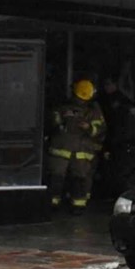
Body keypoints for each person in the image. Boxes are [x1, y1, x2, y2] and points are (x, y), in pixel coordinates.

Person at [47, 79, 106, 214]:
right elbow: (53, 124)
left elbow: (101, 130)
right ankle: (54, 204)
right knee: (58, 178)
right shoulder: (62, 108)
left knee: (79, 179)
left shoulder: (93, 111)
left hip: (80, 151)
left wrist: (89, 127)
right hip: (63, 151)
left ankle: (77, 206)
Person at [101, 80, 135, 196]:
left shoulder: (119, 109)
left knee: (122, 174)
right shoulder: (133, 109)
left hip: (126, 144)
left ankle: (124, 199)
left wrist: (109, 147)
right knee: (131, 173)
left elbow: (116, 129)